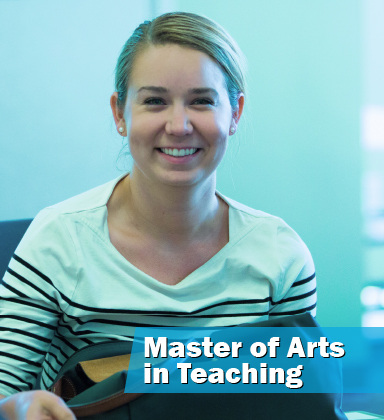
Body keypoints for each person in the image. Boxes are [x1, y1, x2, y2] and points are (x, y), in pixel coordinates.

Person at [0, 11, 316, 419]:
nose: (179, 125)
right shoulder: (57, 239)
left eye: (202, 101)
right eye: (154, 101)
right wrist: (17, 407)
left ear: (235, 113)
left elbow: (299, 399)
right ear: (120, 114)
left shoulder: (281, 256)